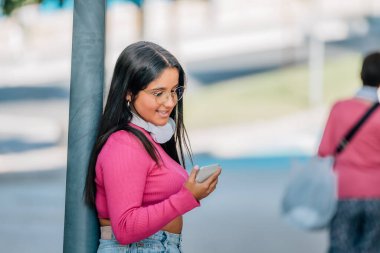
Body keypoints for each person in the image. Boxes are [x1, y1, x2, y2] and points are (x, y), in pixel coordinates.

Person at [84, 41, 221, 253]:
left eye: (175, 90)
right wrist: (187, 196)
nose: (170, 102)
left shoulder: (149, 138)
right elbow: (125, 228)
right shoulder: (124, 145)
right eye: (158, 93)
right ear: (129, 92)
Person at [318, 52, 380, 253]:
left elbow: (324, 150)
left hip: (344, 190)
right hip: (377, 194)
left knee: (341, 248)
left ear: (361, 74)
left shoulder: (339, 109)